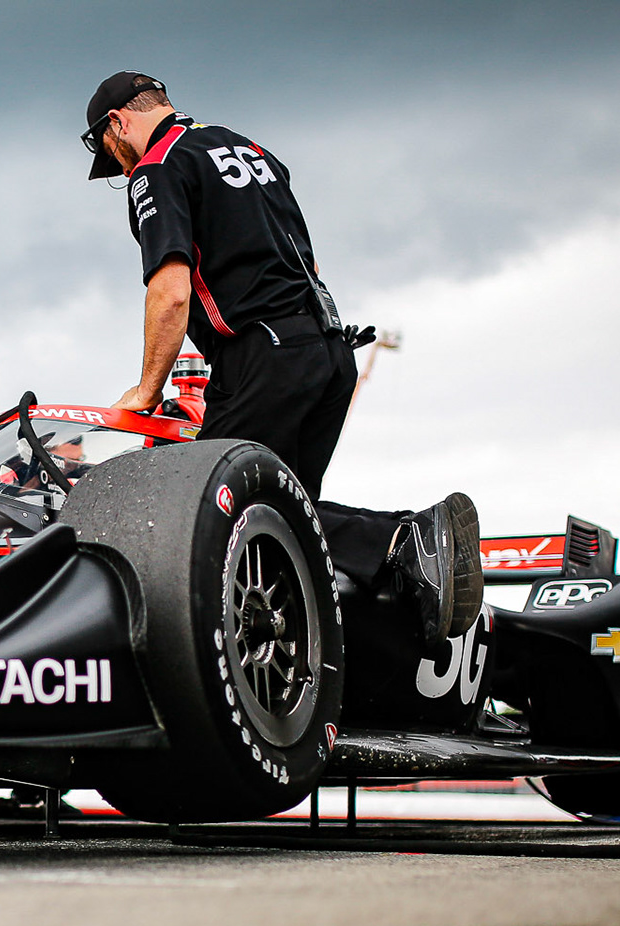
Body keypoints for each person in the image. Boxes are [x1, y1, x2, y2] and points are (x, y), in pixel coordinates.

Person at [82, 72, 481, 646]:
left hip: (262, 353)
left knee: (211, 514)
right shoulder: (249, 149)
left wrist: (146, 390)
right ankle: (366, 611)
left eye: (112, 157)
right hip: (327, 349)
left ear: (117, 124)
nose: (120, 171)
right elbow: (307, 266)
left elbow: (170, 290)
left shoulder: (158, 167)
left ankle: (402, 540)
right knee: (278, 524)